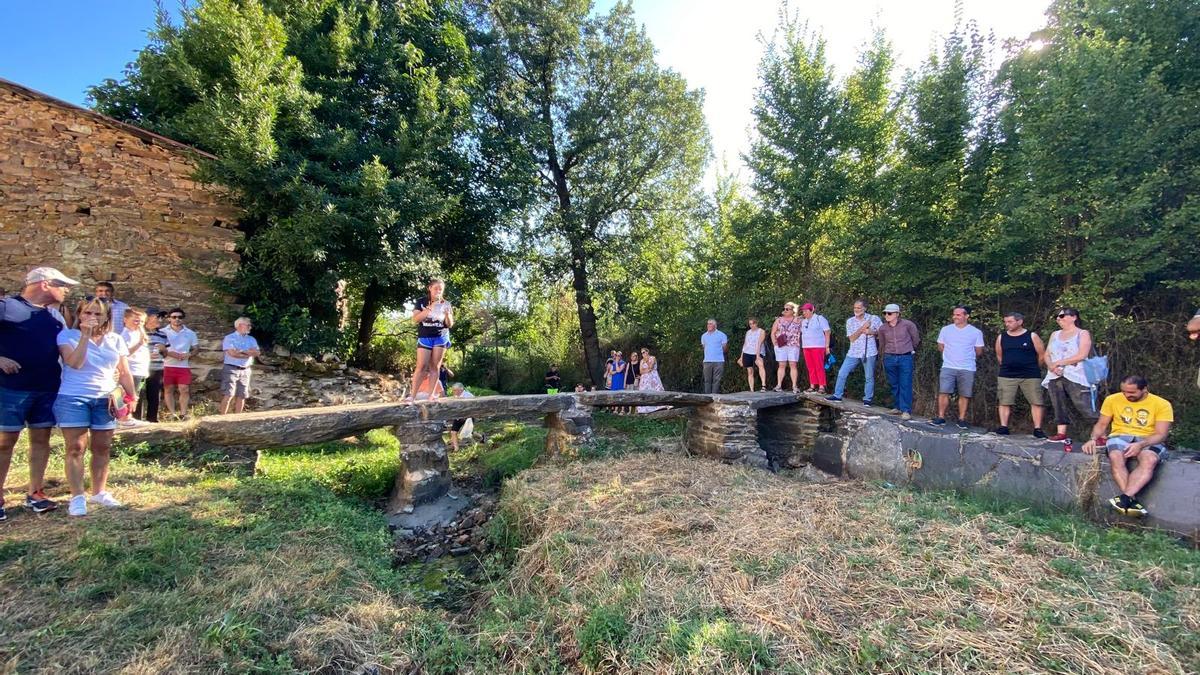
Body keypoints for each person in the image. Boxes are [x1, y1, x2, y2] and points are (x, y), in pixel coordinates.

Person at [0, 267, 77, 520]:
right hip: (10, 388)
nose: (66, 289)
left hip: (47, 388)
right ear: (45, 284)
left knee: (41, 440)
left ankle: (36, 492)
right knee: (4, 443)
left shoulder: (55, 318)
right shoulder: (6, 307)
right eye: (62, 284)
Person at [56, 297, 137, 516]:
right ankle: (77, 496)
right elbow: (75, 363)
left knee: (102, 447)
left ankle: (99, 492)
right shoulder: (67, 335)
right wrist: (84, 336)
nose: (92, 318)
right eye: (87, 313)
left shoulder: (115, 339)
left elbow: (125, 371)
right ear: (79, 314)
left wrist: (132, 396)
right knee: (76, 448)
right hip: (74, 397)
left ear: (106, 317)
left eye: (97, 314)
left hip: (106, 398)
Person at [1081, 376, 1173, 517]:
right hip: (1120, 435)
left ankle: (1125, 498)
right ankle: (1130, 499)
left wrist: (1141, 444)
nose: (1126, 395)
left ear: (1144, 389)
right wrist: (1093, 438)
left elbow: (1161, 434)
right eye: (1124, 391)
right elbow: (1102, 424)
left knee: (1150, 460)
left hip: (1149, 439)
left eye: (1132, 393)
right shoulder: (1112, 399)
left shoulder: (1162, 404)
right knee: (1115, 455)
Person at [1041, 307, 1098, 442]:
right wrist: (1051, 366)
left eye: (1062, 316)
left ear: (1073, 317)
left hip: (1076, 373)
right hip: (1055, 374)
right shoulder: (1055, 334)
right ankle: (1061, 432)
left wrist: (1059, 362)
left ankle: (1101, 434)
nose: (1058, 319)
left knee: (1084, 405)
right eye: (1057, 316)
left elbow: (1082, 355)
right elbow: (1047, 354)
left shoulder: (1082, 333)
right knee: (1058, 403)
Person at [994, 312, 1047, 437]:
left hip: (1030, 374)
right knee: (1004, 401)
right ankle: (1003, 426)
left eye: (1010, 322)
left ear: (1019, 321)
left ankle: (1038, 429)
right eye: (1006, 322)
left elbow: (1042, 354)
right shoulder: (1002, 337)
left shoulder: (1032, 336)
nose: (1007, 324)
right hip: (1007, 374)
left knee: (1036, 401)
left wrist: (1034, 366)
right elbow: (999, 354)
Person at [932, 306, 985, 429]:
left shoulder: (975, 332)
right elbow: (940, 346)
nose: (955, 317)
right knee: (944, 391)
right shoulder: (946, 330)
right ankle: (941, 417)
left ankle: (961, 419)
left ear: (966, 316)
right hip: (948, 366)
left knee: (964, 394)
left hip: (967, 367)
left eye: (958, 315)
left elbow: (979, 351)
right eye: (954, 314)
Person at [408, 279, 454, 402]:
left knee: (435, 366)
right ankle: (412, 396)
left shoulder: (446, 303)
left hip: (440, 337)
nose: (438, 291)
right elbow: (416, 319)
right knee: (421, 366)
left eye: (441, 289)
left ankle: (431, 395)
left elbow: (449, 324)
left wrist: (448, 315)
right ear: (430, 288)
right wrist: (430, 308)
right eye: (436, 288)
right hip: (425, 336)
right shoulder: (421, 301)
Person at [828, 299, 881, 406]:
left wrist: (872, 332)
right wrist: (862, 328)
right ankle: (837, 395)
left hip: (869, 352)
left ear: (864, 308)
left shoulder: (874, 318)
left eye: (859, 308)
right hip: (853, 352)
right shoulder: (850, 321)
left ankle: (868, 399)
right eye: (855, 308)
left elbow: (882, 333)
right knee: (842, 372)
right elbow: (852, 338)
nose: (856, 310)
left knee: (869, 377)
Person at [876, 303, 920, 420]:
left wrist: (909, 349)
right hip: (889, 357)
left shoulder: (908, 325)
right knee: (894, 383)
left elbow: (915, 339)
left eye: (889, 313)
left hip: (905, 357)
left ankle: (906, 410)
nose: (887, 315)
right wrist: (884, 355)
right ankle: (898, 406)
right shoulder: (883, 328)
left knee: (905, 383)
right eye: (885, 313)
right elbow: (882, 344)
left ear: (897, 314)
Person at [161, 307, 199, 420]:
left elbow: (196, 348)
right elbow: (158, 347)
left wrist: (189, 354)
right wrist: (170, 353)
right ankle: (172, 414)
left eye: (180, 317)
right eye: (174, 317)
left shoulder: (190, 333)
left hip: (183, 365)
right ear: (169, 319)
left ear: (183, 319)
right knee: (168, 389)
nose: (177, 319)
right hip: (167, 365)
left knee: (184, 389)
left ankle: (183, 414)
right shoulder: (163, 332)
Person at [219, 317, 261, 414]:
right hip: (231, 368)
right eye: (248, 325)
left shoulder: (251, 339)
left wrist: (241, 351)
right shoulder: (229, 338)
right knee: (229, 394)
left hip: (246, 369)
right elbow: (233, 354)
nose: (250, 327)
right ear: (239, 325)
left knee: (242, 395)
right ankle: (222, 418)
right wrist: (249, 353)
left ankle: (238, 418)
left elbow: (257, 353)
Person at [119, 308, 150, 425]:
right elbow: (125, 353)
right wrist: (139, 344)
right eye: (136, 321)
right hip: (132, 369)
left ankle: (130, 416)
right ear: (125, 320)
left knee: (137, 394)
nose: (139, 324)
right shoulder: (126, 334)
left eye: (142, 322)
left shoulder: (137, 333)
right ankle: (125, 417)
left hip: (140, 369)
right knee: (129, 394)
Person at [139, 309, 169, 423]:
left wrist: (164, 349)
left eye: (161, 318)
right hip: (141, 368)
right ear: (148, 317)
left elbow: (166, 354)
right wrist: (147, 355)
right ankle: (137, 419)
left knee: (154, 395)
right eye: (158, 317)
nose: (160, 320)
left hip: (157, 369)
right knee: (139, 395)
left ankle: (152, 420)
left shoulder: (162, 334)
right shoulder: (139, 331)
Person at [798, 303, 832, 393]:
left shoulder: (819, 318)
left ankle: (821, 386)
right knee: (810, 367)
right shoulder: (804, 321)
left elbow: (827, 332)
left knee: (819, 366)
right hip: (806, 346)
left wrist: (827, 346)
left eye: (806, 310)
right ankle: (812, 385)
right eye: (803, 311)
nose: (804, 312)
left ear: (812, 310)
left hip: (818, 346)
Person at [771, 303, 802, 392]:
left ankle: (794, 386)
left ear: (793, 311)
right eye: (784, 308)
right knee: (781, 365)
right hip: (781, 346)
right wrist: (774, 344)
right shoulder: (779, 320)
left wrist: (798, 319)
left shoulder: (798, 320)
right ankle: (779, 385)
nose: (785, 310)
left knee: (793, 365)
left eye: (787, 309)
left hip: (793, 345)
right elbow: (773, 332)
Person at [700, 319, 728, 395]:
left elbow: (725, 348)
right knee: (707, 380)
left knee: (717, 380)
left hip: (719, 361)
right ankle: (707, 397)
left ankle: (714, 397)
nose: (708, 325)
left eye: (710, 324)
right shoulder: (704, 336)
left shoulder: (722, 335)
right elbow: (704, 347)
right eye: (708, 324)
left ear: (715, 325)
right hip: (707, 361)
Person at [637, 347, 667, 413]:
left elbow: (651, 367)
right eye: (642, 353)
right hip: (644, 380)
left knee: (656, 391)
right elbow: (641, 371)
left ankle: (658, 406)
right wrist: (646, 370)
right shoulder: (641, 361)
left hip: (653, 378)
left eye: (644, 352)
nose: (643, 354)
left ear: (647, 352)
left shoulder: (652, 358)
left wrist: (646, 362)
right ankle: (645, 409)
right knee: (645, 392)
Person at [740, 318, 767, 392]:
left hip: (757, 352)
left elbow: (759, 343)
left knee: (761, 366)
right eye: (750, 324)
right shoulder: (748, 332)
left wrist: (757, 356)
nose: (752, 325)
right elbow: (745, 344)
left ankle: (763, 386)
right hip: (747, 352)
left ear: (756, 323)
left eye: (753, 323)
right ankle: (751, 389)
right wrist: (741, 356)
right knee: (749, 371)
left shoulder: (761, 331)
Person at [448, 382, 475, 452]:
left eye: (455, 390)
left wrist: (467, 416)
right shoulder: (455, 396)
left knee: (469, 432)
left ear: (461, 389)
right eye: (453, 390)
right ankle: (456, 449)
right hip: (458, 417)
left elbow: (473, 407)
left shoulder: (469, 395)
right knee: (453, 432)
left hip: (468, 416)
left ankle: (481, 437)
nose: (453, 391)